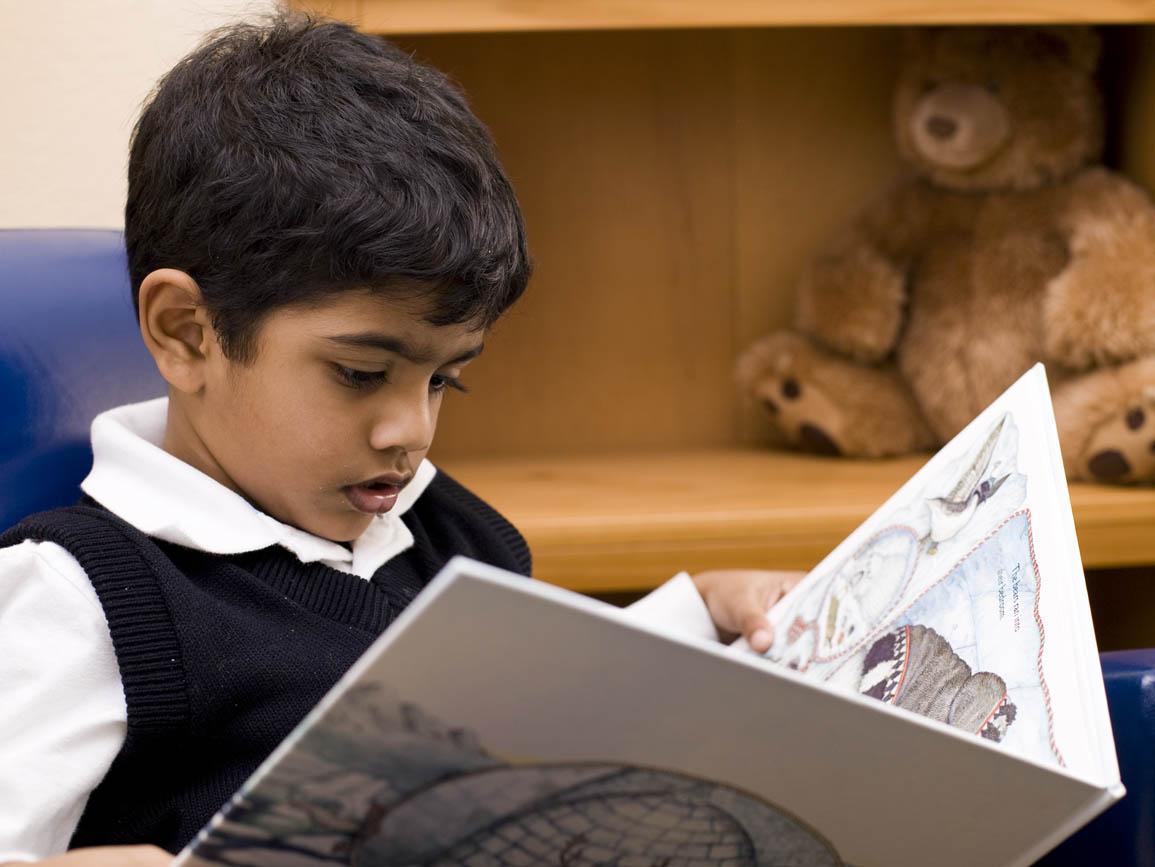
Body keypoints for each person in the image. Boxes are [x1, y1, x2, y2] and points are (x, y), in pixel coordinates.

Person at [0, 14, 801, 866]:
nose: (410, 430)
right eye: (358, 373)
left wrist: (704, 612)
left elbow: (538, 719)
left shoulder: (445, 531)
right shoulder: (80, 600)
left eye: (443, 380)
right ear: (187, 332)